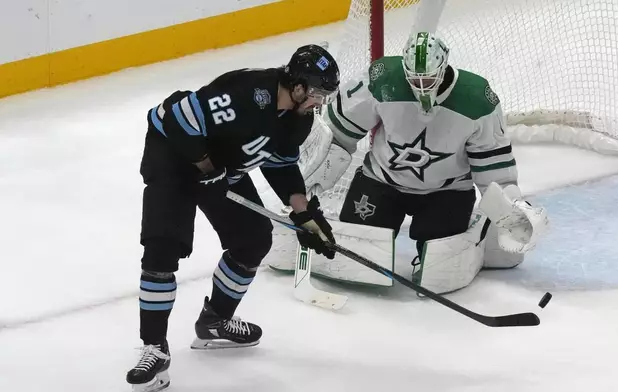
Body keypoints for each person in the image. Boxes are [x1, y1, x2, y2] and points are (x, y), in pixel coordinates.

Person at [126, 44, 340, 392]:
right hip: (174, 156)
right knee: (162, 249)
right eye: (316, 93)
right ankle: (153, 348)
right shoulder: (246, 94)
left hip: (221, 165)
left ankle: (215, 321)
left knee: (253, 239)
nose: (318, 102)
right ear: (298, 86)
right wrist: (207, 168)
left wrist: (304, 214)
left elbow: (281, 164)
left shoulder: (298, 121)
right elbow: (179, 119)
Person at [271, 32, 548, 294]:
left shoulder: (477, 100)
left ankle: (479, 239)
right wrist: (310, 189)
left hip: (446, 191)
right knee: (357, 259)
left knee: (439, 270)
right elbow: (339, 136)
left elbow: (494, 169)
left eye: (428, 80)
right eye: (415, 80)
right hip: (382, 181)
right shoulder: (382, 80)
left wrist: (512, 208)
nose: (421, 87)